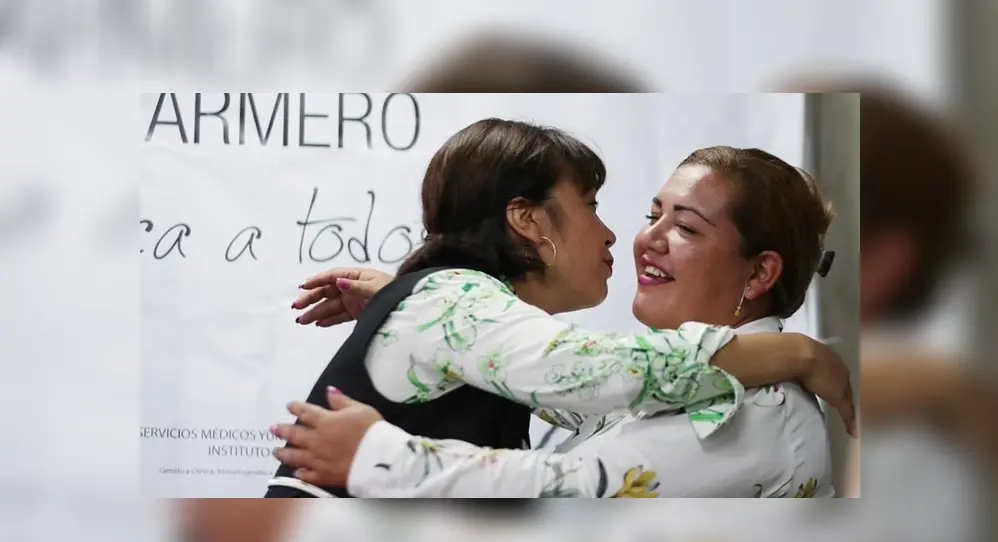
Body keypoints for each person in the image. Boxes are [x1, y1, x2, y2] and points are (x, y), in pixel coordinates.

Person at [265, 119, 856, 499]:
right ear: (526, 220)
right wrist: (793, 350)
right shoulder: (455, 305)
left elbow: (572, 485)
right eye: (652, 216)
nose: (633, 237)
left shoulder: (757, 404)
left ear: (759, 272)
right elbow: (588, 380)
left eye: (686, 227)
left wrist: (381, 456)